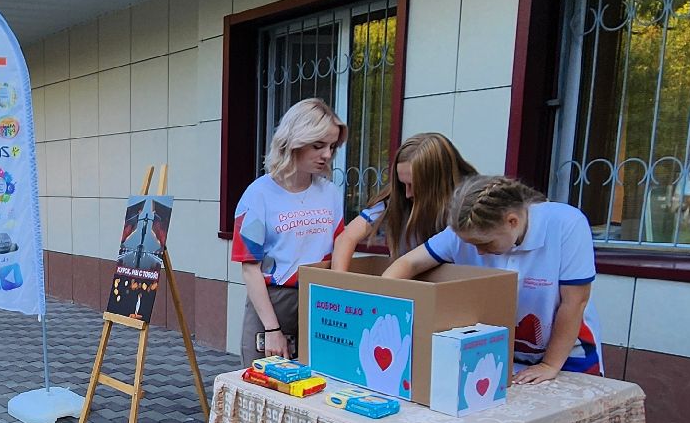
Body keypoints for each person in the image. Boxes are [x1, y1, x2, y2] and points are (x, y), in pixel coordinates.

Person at [384, 175, 602, 384]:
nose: (479, 251)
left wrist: (550, 365)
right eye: (472, 245)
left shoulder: (566, 224)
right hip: (500, 352)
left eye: (485, 244)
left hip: (568, 356)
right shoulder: (465, 231)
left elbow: (575, 302)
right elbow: (408, 264)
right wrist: (382, 304)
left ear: (512, 221)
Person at [232, 98, 347, 360]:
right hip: (273, 303)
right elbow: (250, 267)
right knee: (262, 381)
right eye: (318, 145)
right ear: (294, 140)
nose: (327, 155)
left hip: (320, 302)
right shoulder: (258, 195)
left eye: (332, 146)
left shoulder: (330, 193)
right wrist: (272, 329)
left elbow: (340, 248)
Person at [331, 132, 477, 271]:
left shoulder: (468, 205)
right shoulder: (394, 199)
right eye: (402, 184)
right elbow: (346, 238)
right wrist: (338, 283)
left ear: (436, 182)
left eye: (414, 185)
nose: (407, 194)